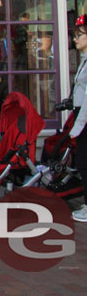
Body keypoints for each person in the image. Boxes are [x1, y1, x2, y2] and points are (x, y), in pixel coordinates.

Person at [68, 15, 87, 222]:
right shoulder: (83, 61)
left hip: (85, 120)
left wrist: (78, 126)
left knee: (84, 163)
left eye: (80, 35)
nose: (76, 39)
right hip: (80, 116)